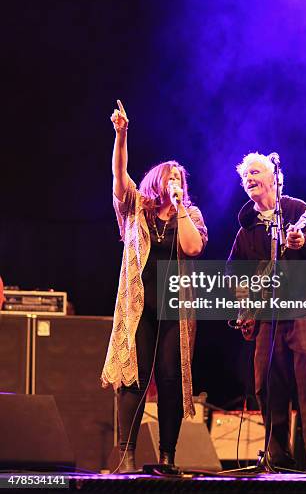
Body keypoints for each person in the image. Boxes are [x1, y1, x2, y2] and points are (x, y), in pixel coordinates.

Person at [101, 100, 207, 473]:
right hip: (139, 308)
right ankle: (127, 456)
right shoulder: (135, 207)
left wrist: (180, 207)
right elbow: (119, 175)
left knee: (171, 380)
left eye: (180, 178)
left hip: (175, 312)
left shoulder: (189, 215)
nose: (175, 182)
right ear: (156, 180)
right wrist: (122, 134)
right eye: (169, 177)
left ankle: (167, 458)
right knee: (134, 378)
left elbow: (194, 247)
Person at [228, 152, 306, 471]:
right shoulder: (246, 225)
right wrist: (245, 301)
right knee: (266, 386)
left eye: (255, 171)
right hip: (267, 318)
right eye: (245, 174)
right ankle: (278, 458)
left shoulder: (297, 210)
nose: (249, 178)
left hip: (303, 310)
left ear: (274, 176)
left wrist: (303, 244)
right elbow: (233, 271)